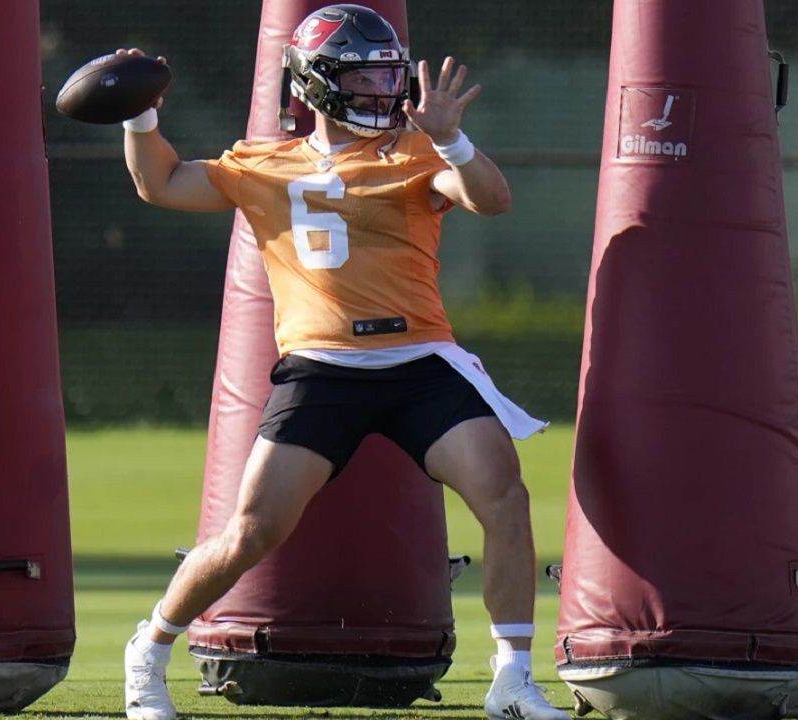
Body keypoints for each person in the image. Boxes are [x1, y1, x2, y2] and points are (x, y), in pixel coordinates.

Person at [118, 5, 569, 720]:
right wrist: (139, 118)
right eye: (363, 75)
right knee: (252, 531)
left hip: (420, 359)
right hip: (322, 368)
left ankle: (512, 679)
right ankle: (148, 649)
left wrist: (451, 141)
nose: (383, 91)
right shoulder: (262, 162)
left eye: (387, 74)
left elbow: (492, 199)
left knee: (504, 498)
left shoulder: (419, 152)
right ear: (316, 86)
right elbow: (162, 184)